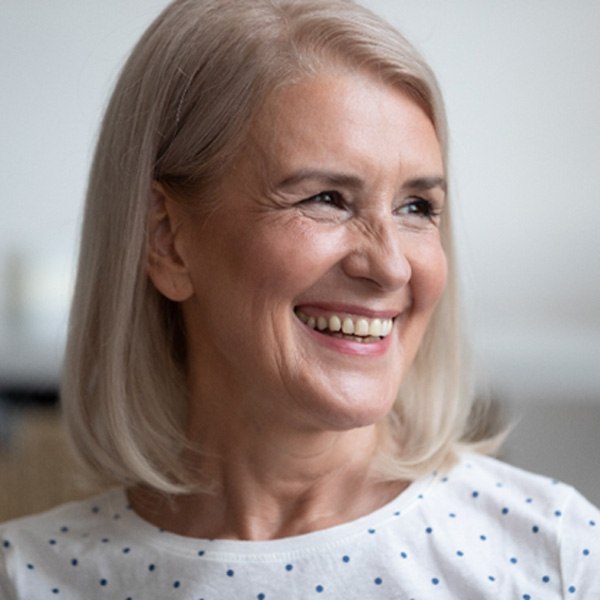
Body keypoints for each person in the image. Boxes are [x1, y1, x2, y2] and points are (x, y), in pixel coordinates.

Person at [1, 0, 598, 598]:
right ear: (167, 239)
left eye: (416, 208)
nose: (390, 265)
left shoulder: (559, 556)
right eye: (327, 198)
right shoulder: (28, 579)